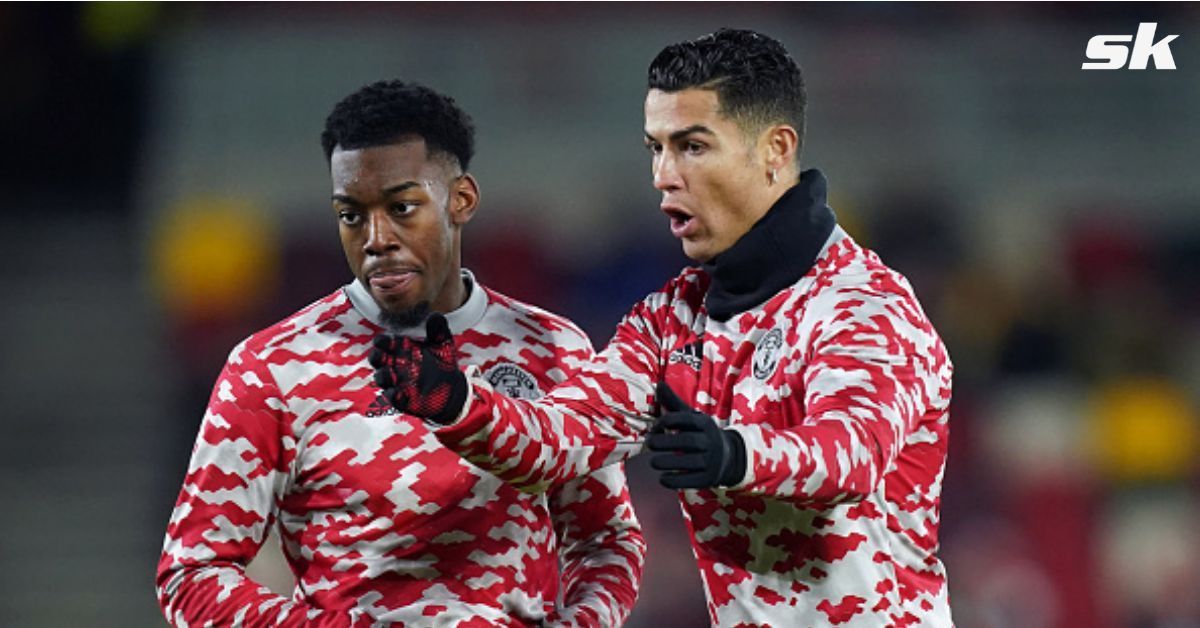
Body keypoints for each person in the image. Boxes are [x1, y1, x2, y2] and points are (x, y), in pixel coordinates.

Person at [371, 30, 953, 626]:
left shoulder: (864, 305)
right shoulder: (670, 319)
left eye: (692, 147)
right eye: (656, 148)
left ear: (776, 149)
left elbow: (849, 454)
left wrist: (732, 454)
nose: (663, 175)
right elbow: (563, 437)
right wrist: (457, 402)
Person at [156, 80, 646, 627]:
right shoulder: (273, 366)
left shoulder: (551, 348)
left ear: (461, 199)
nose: (375, 237)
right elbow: (191, 575)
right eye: (351, 214)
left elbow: (606, 541)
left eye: (402, 207)